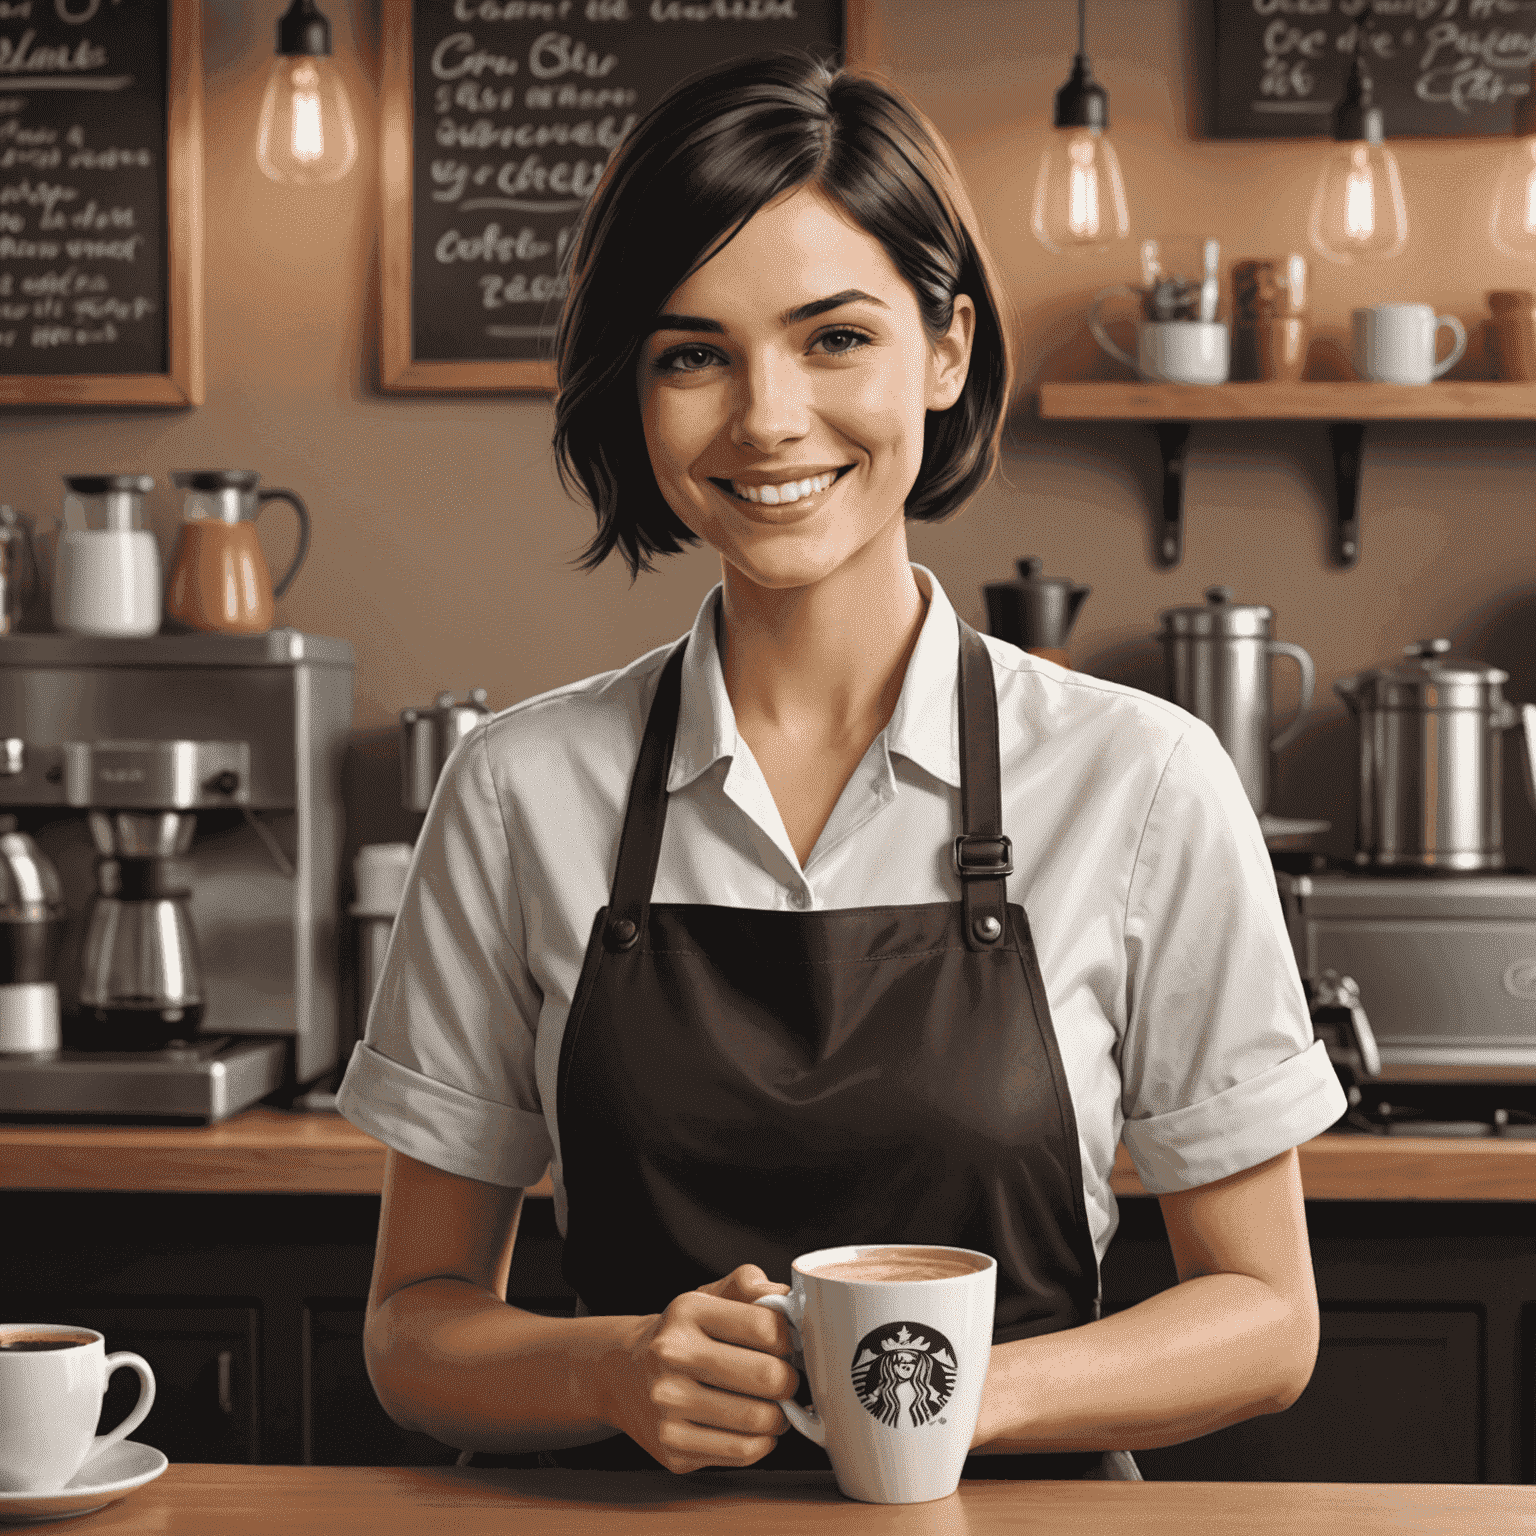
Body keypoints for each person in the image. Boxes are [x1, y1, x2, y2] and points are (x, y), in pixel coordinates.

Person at [336, 49, 1347, 1483]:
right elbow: (410, 1331)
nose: (766, 419)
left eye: (833, 339)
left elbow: (1266, 1318)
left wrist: (935, 1400)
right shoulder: (516, 792)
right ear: (635, 390)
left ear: (945, 349)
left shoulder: (1143, 782)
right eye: (694, 354)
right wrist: (613, 1368)